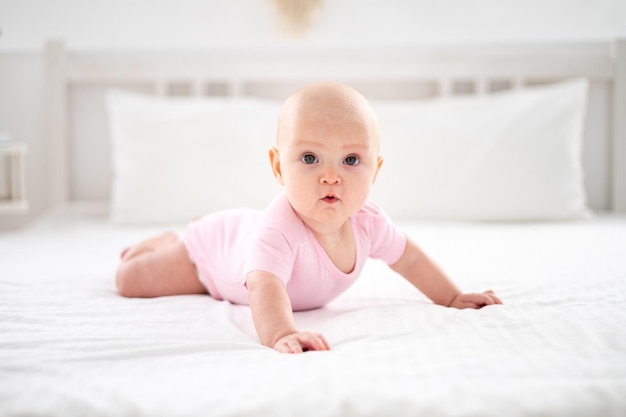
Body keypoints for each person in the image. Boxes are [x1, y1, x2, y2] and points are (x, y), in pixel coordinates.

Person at [116, 82, 502, 354]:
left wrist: (452, 296)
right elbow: (265, 289)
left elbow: (411, 259)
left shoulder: (368, 221)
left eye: (351, 160)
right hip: (208, 258)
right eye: (310, 158)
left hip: (239, 233)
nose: (330, 176)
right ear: (278, 166)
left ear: (376, 170)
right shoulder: (277, 231)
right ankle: (165, 241)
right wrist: (282, 333)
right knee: (130, 279)